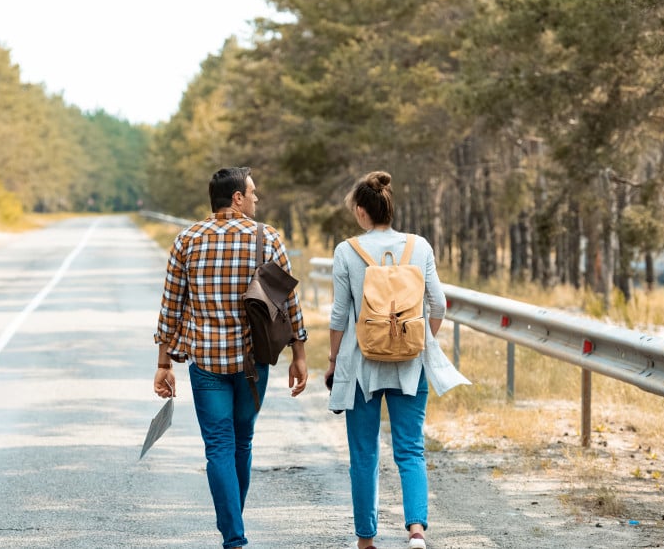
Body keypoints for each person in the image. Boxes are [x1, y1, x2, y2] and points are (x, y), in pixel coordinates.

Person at [153, 166, 309, 549]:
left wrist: (163, 362)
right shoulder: (267, 237)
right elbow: (288, 302)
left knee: (219, 447)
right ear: (236, 198)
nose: (257, 198)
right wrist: (299, 354)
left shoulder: (186, 240)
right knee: (243, 442)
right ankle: (234, 528)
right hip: (252, 364)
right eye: (252, 192)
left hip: (206, 363)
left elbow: (171, 306)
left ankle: (234, 537)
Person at [324, 171, 468, 549]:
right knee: (410, 447)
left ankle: (366, 538)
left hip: (360, 366)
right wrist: (421, 341)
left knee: (363, 453)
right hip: (410, 364)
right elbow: (439, 304)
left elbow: (340, 316)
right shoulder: (419, 247)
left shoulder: (346, 251)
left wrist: (332, 358)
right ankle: (416, 530)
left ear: (360, 211)